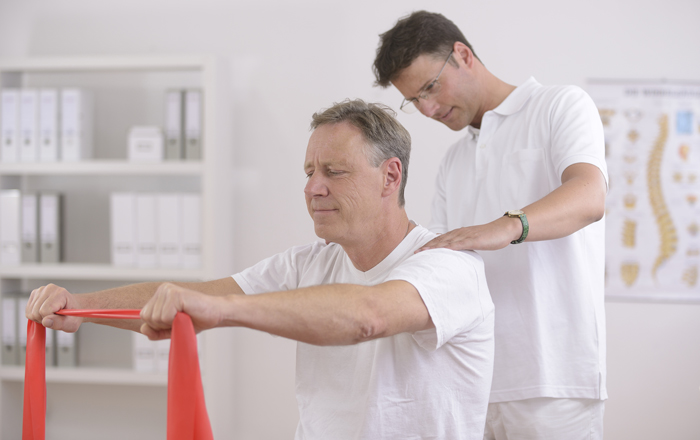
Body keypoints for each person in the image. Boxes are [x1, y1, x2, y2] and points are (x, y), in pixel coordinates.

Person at [27, 99, 495, 440]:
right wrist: (81, 306)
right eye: (309, 171)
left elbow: (367, 315)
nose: (313, 187)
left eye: (334, 171)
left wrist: (221, 309)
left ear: (390, 177)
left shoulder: (449, 266)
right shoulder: (307, 263)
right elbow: (190, 294)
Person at [373, 11, 608, 440]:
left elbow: (590, 197)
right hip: (470, 384)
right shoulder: (453, 161)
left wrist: (504, 227)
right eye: (415, 100)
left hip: (553, 383)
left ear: (463, 55)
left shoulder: (560, 106)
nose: (428, 109)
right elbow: (439, 265)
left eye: (430, 87)